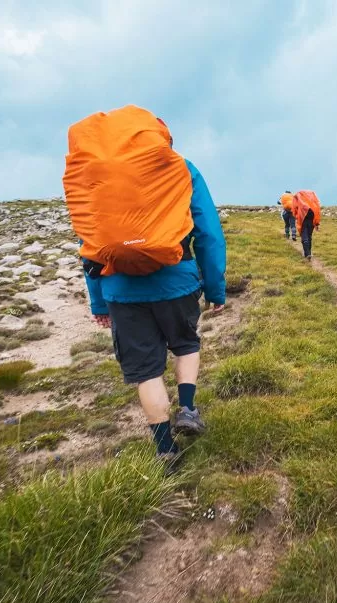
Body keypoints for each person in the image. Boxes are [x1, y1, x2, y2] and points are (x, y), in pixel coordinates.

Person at [81, 131, 226, 469]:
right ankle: (187, 409)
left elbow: (90, 243)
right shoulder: (182, 168)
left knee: (146, 371)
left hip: (121, 289)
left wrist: (98, 300)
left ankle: (165, 451)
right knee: (186, 344)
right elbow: (208, 233)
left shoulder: (99, 177)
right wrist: (216, 287)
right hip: (177, 281)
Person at [292, 190, 321, 260]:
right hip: (312, 220)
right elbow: (317, 212)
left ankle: (307, 254)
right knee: (309, 236)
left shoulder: (298, 198)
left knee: (304, 236)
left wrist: (296, 216)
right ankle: (309, 253)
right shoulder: (313, 203)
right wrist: (317, 224)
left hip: (302, 220)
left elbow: (294, 209)